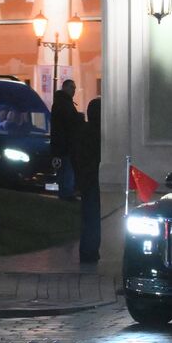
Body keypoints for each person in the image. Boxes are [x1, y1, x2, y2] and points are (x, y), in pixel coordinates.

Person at [76, 97, 102, 263]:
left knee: (88, 217)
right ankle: (90, 251)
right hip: (92, 178)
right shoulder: (96, 133)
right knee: (93, 217)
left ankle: (87, 250)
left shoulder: (83, 131)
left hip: (85, 178)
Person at [50, 80, 82, 200]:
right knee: (66, 169)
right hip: (65, 144)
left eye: (74, 88)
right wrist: (78, 118)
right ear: (65, 87)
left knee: (64, 170)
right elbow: (68, 122)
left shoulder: (62, 102)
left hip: (62, 143)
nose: (74, 90)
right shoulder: (63, 104)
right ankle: (66, 193)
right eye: (71, 87)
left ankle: (65, 192)